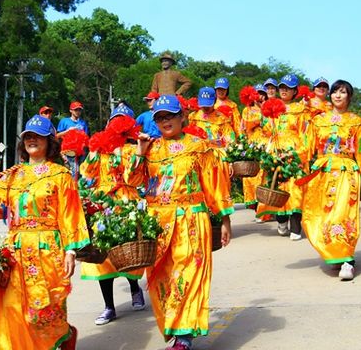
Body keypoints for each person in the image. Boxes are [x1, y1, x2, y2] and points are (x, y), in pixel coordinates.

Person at [127, 95, 234, 350]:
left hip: (191, 218)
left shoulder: (199, 146)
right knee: (160, 277)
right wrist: (139, 153)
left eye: (170, 116)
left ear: (182, 117)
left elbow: (214, 184)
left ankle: (184, 336)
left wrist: (226, 219)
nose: (165, 121)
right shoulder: (150, 147)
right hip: (158, 222)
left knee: (187, 272)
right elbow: (132, 181)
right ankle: (173, 327)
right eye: (160, 117)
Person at [0, 114, 89, 350]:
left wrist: (71, 251)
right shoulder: (12, 175)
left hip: (47, 249)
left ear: (50, 142)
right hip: (15, 252)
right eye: (28, 136)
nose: (32, 140)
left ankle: (63, 337)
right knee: (13, 309)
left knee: (44, 310)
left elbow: (71, 214)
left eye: (39, 136)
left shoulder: (61, 175)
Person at [301, 80, 361, 281]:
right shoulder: (317, 121)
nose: (337, 95)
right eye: (335, 91)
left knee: (343, 216)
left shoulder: (356, 122)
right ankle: (334, 252)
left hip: (346, 173)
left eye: (342, 92)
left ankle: (347, 261)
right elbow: (305, 148)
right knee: (316, 217)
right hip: (321, 174)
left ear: (349, 96)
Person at [79, 103, 146, 326]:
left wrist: (136, 152)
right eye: (114, 121)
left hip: (126, 203)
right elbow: (87, 173)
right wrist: (95, 151)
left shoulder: (130, 149)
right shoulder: (100, 149)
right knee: (102, 257)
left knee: (128, 253)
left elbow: (134, 179)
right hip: (102, 205)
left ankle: (135, 287)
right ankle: (109, 306)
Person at [256, 74, 310, 240]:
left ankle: (295, 226)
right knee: (277, 185)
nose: (284, 90)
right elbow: (265, 130)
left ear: (295, 91)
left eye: (288, 88)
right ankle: (281, 219)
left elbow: (306, 135)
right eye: (282, 88)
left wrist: (298, 153)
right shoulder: (272, 107)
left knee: (295, 188)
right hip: (275, 149)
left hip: (293, 151)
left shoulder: (301, 110)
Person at [57, 101, 90, 179]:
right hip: (68, 151)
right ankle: (71, 188)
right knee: (75, 170)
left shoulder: (83, 123)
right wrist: (68, 131)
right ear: (70, 110)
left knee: (82, 171)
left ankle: (78, 189)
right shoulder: (64, 121)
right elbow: (57, 136)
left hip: (81, 152)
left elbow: (86, 138)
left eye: (79, 110)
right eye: (76, 110)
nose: (78, 112)